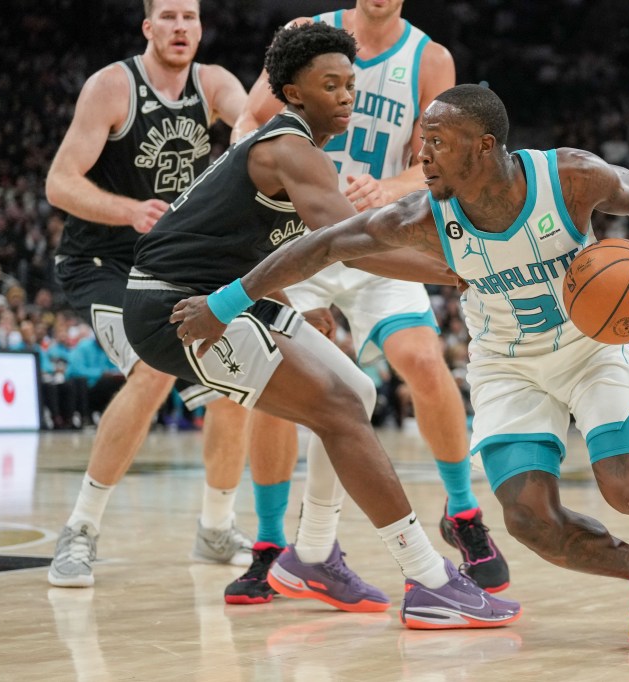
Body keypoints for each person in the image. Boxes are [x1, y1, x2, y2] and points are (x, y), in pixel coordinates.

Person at [172, 84, 629, 651]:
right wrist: (225, 303)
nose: (421, 155)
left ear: (484, 145)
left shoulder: (568, 176)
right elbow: (322, 245)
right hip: (508, 362)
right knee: (531, 522)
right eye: (422, 142)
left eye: (437, 142)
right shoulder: (423, 217)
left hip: (590, 348)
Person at [124, 24, 520, 628]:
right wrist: (464, 271)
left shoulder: (299, 148)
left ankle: (311, 554)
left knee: (357, 392)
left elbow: (237, 240)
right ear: (292, 92)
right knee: (336, 406)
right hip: (175, 309)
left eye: (350, 84)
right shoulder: (291, 148)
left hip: (220, 295)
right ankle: (428, 578)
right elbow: (352, 247)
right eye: (329, 84)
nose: (346, 96)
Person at [223, 0, 509, 604]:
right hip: (294, 240)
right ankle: (273, 543)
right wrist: (292, 173)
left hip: (376, 237)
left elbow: (441, 160)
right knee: (279, 388)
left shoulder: (429, 58)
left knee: (425, 364)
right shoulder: (306, 35)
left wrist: (389, 186)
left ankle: (462, 514)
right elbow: (247, 122)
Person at [45, 0, 254, 587]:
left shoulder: (213, 85)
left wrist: (256, 120)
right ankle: (81, 529)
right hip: (101, 261)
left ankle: (216, 528)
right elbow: (59, 182)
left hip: (172, 265)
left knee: (234, 380)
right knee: (152, 370)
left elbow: (251, 121)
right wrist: (130, 210)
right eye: (168, 16)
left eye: (189, 16)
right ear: (148, 27)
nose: (180, 26)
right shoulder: (113, 86)